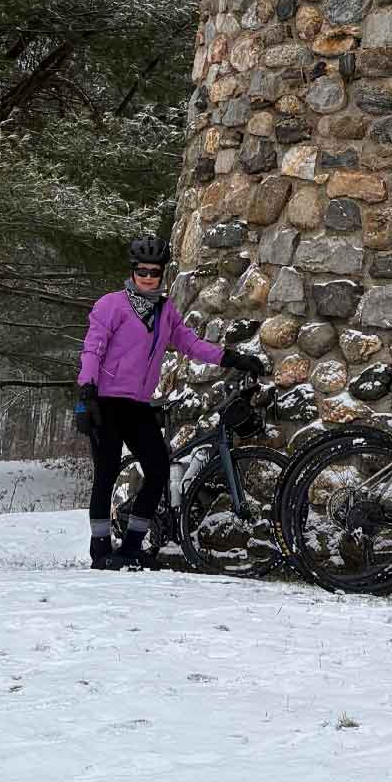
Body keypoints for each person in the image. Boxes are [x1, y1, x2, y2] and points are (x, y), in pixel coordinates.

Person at [75, 231, 257, 570]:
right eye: (141, 271)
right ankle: (100, 550)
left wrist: (231, 359)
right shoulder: (111, 305)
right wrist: (86, 392)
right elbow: (93, 348)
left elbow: (191, 345)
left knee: (157, 471)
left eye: (154, 272)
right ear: (132, 271)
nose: (147, 278)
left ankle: (130, 546)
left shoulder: (165, 312)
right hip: (106, 402)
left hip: (139, 405)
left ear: (162, 274)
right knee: (106, 474)